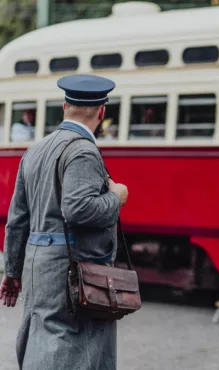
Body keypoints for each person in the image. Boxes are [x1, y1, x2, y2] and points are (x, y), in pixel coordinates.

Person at [0, 74, 129, 370]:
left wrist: (12, 270)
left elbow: (18, 219)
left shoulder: (35, 150)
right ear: (101, 111)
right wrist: (117, 198)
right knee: (75, 346)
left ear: (64, 106)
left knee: (42, 337)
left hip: (39, 265)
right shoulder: (83, 150)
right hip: (72, 268)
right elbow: (78, 209)